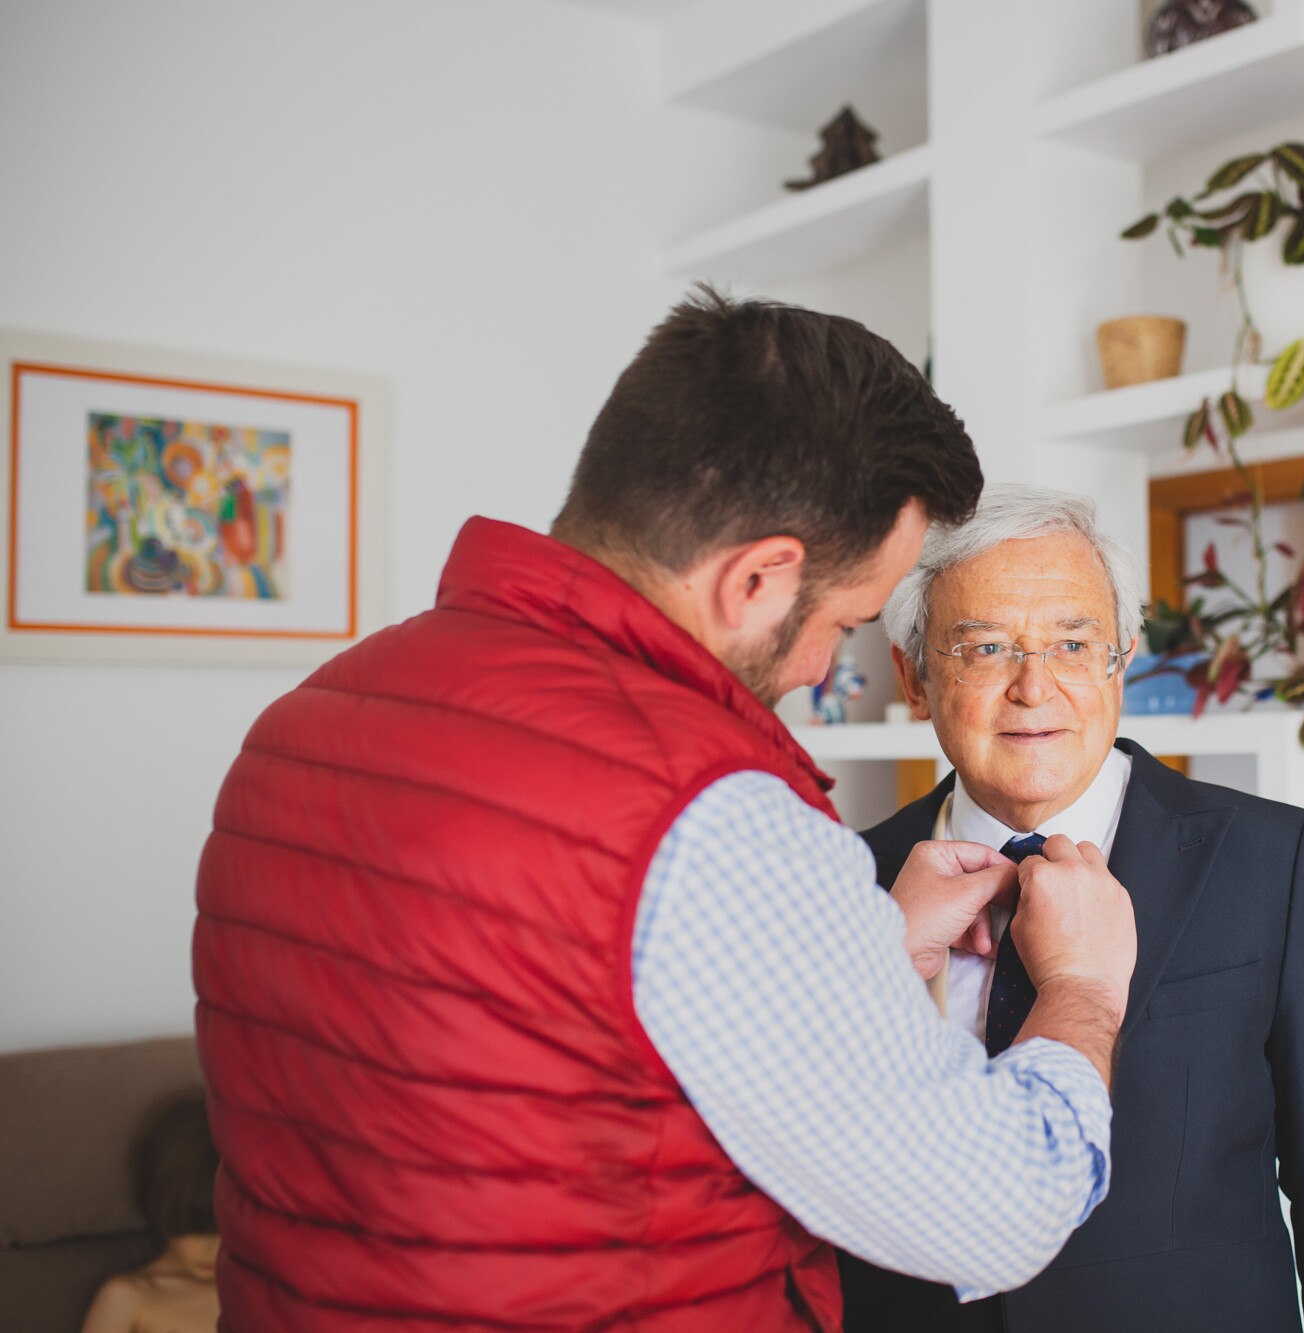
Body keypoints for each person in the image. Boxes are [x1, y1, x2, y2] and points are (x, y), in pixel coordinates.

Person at [191, 292, 1137, 1331]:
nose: (826, 664)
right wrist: (1083, 989)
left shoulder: (307, 718)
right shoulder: (705, 815)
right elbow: (995, 1212)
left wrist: (847, 955)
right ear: (757, 580)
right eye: (847, 621)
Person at [840, 485, 1304, 1331]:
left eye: (1074, 644)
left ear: (1125, 660)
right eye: (987, 647)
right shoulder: (847, 881)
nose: (1034, 687)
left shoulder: (1271, 860)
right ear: (916, 677)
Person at [80, 1094, 220, 1333]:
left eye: (223, 1231)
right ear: (163, 1210)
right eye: (193, 1229)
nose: (212, 1248)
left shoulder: (260, 1287)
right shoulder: (128, 1297)